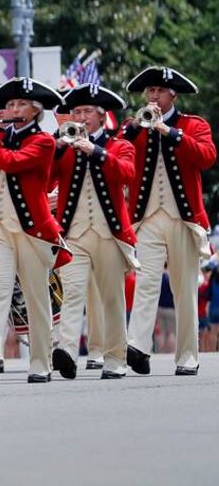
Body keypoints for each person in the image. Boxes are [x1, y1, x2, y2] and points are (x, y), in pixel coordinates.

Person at [121, 67, 216, 376]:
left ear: (173, 94)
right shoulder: (134, 127)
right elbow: (118, 151)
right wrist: (136, 128)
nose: (153, 97)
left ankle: (187, 355)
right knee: (146, 282)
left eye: (159, 91)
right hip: (147, 218)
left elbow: (206, 157)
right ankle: (137, 346)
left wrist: (170, 132)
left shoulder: (192, 125)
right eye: (149, 91)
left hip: (184, 220)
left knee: (184, 288)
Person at [0, 78, 70, 384]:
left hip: (33, 231)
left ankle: (41, 362)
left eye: (20, 104)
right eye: (11, 104)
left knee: (36, 298)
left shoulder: (42, 141)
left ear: (35, 110)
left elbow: (12, 162)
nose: (13, 108)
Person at [50, 84, 137, 379]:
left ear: (102, 116)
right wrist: (58, 148)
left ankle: (115, 359)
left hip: (109, 234)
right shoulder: (63, 147)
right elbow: (45, 182)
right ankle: (67, 351)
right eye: (76, 112)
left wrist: (96, 151)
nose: (81, 117)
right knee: (73, 292)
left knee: (111, 297)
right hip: (74, 234)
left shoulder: (118, 145)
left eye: (87, 111)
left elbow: (127, 173)